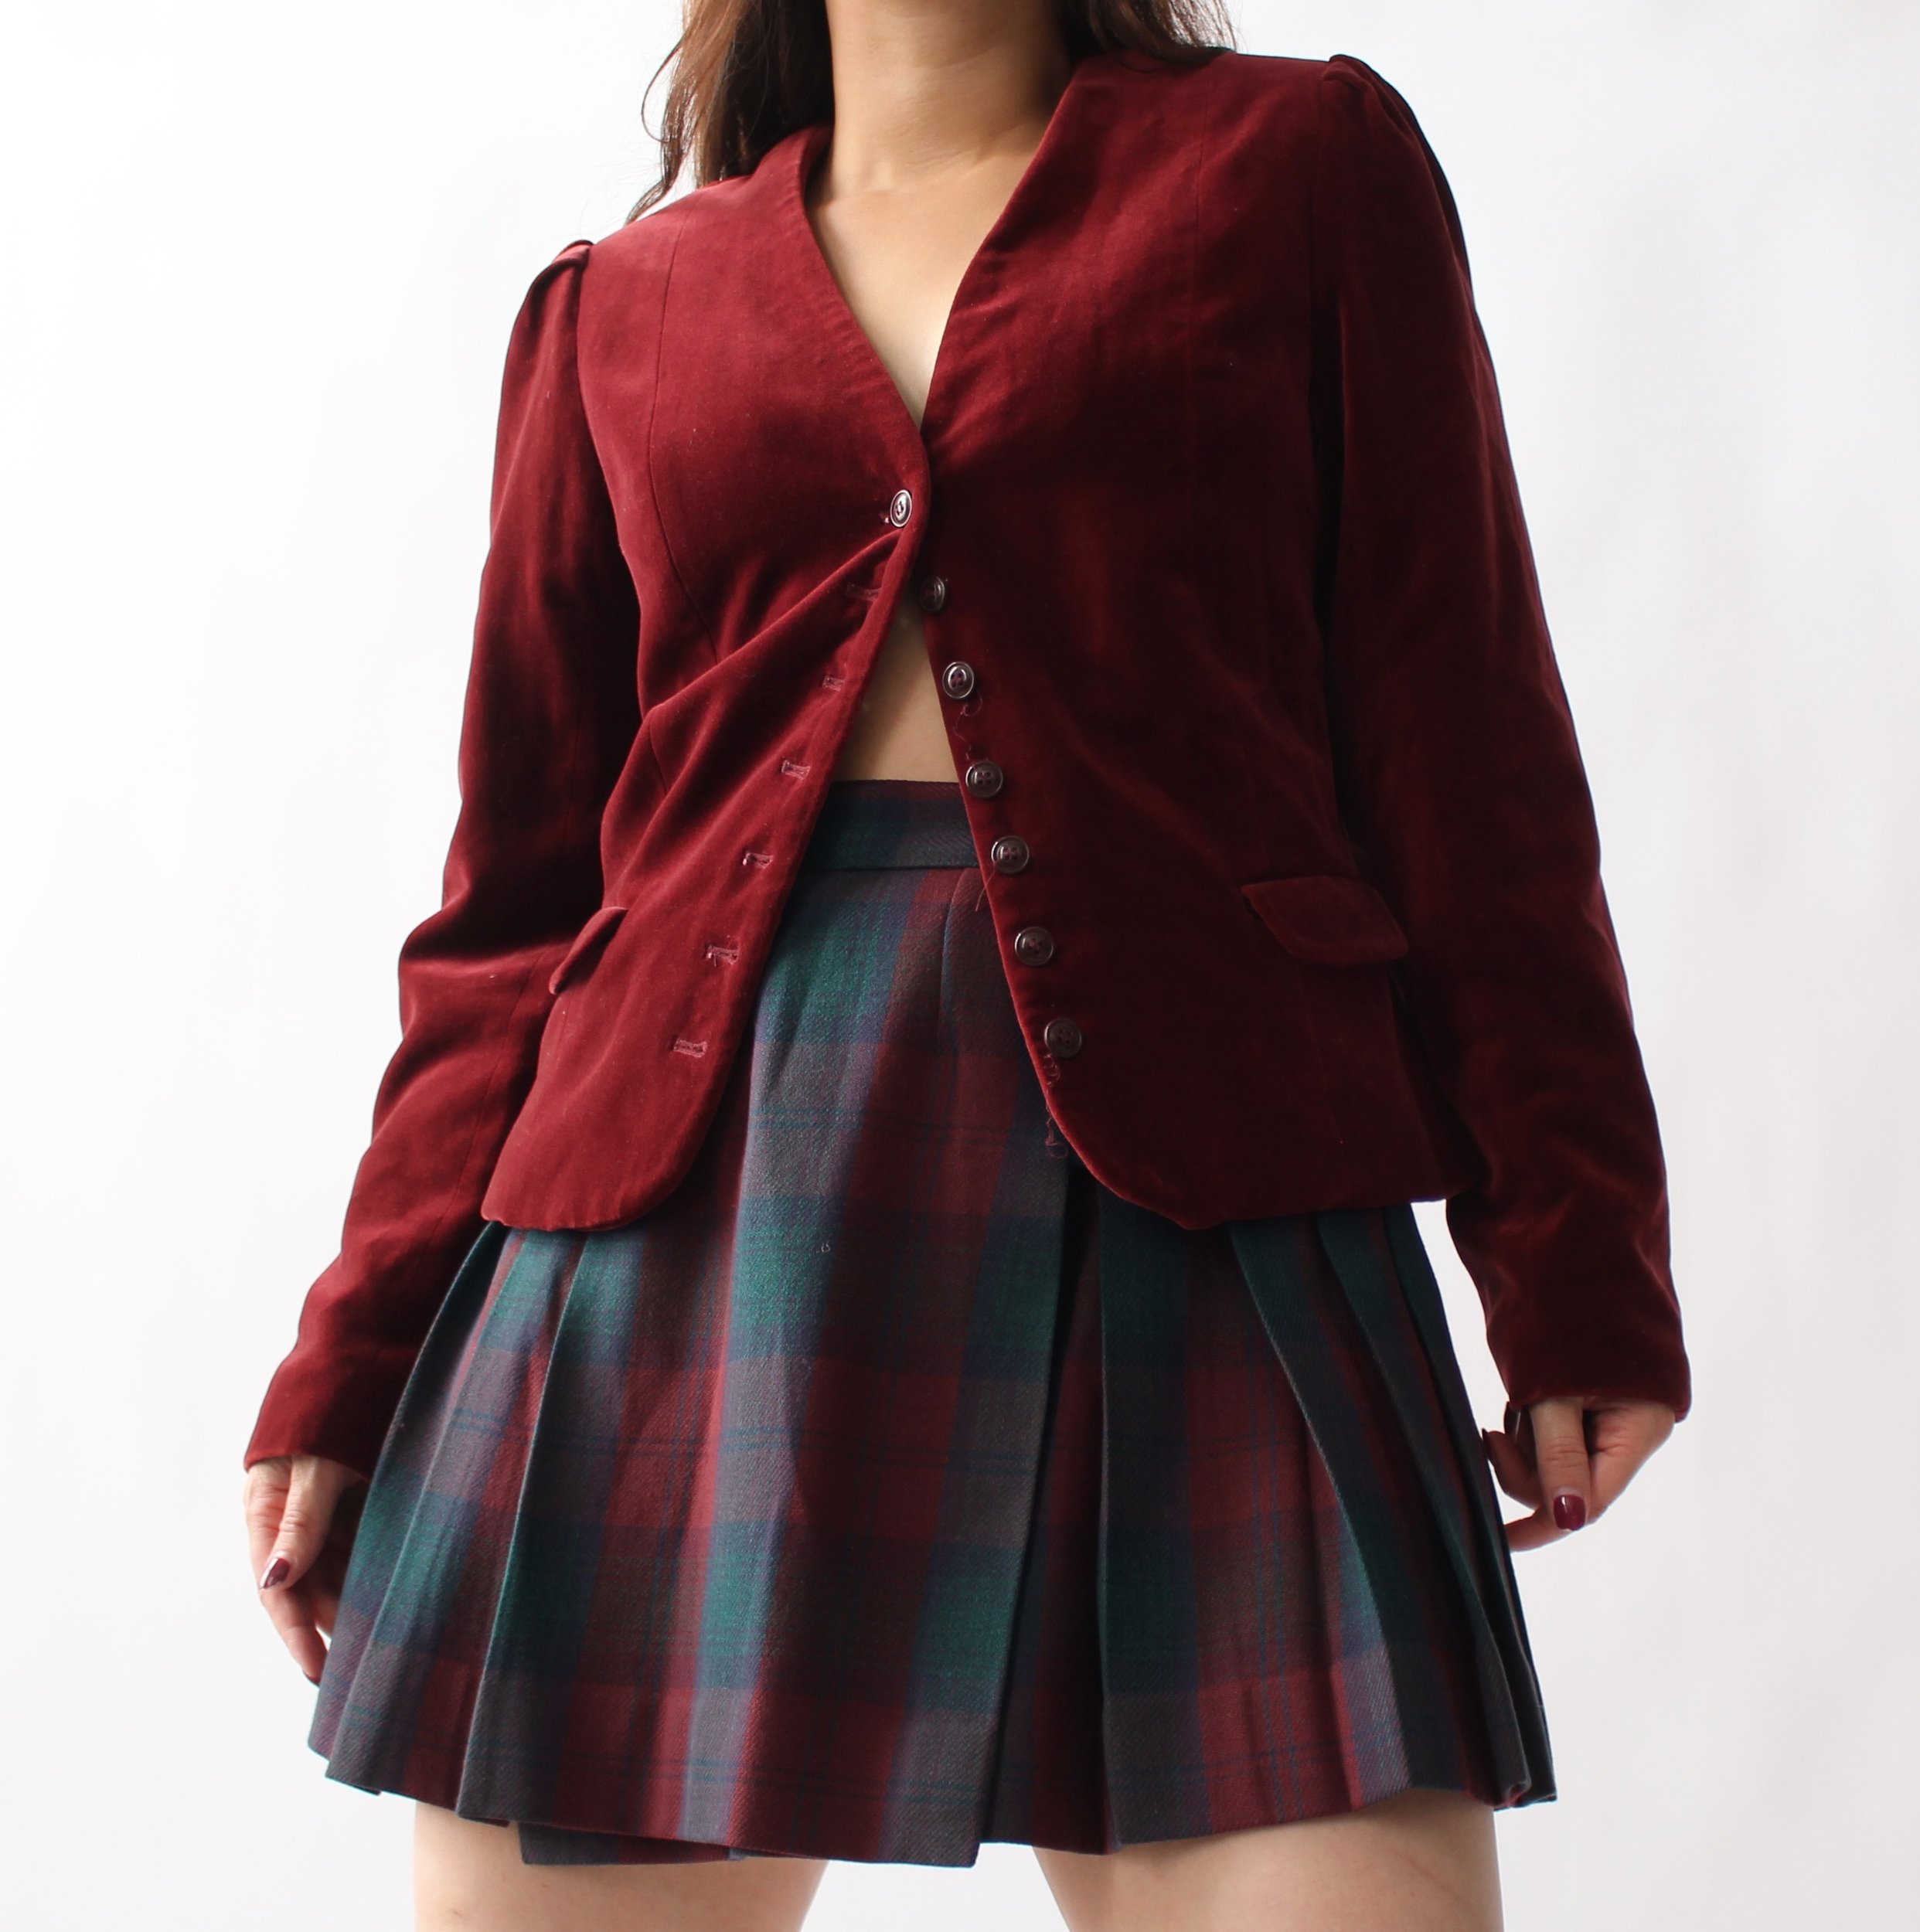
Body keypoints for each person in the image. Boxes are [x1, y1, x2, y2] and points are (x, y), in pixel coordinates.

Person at [241, 2, 1692, 1927]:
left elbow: (1464, 740)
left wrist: (1575, 1265)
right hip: (680, 1231)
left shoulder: (1296, 173)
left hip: (1213, 1196)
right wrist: (352, 1353)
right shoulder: (617, 307)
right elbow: (515, 902)